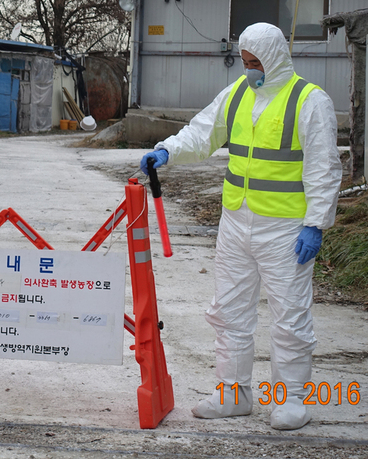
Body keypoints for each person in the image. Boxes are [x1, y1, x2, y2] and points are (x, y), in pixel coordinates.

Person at [139, 22, 342, 431]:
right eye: (245, 62)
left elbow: (324, 169)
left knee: (289, 316)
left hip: (285, 229)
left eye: (255, 63)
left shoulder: (309, 101)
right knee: (229, 311)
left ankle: (290, 401)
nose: (249, 70)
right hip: (236, 222)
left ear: (275, 59)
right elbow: (202, 132)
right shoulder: (236, 95)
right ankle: (234, 394)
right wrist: (166, 151)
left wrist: (315, 224)